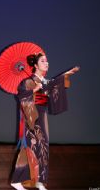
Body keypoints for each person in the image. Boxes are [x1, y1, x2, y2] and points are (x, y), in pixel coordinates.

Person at [11, 53, 80, 190]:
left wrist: (64, 76)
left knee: (43, 148)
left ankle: (39, 181)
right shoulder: (28, 81)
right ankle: (17, 180)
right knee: (31, 147)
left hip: (42, 116)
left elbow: (53, 85)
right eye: (43, 61)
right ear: (35, 65)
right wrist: (33, 90)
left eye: (47, 61)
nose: (46, 63)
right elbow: (22, 96)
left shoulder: (44, 82)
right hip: (32, 116)